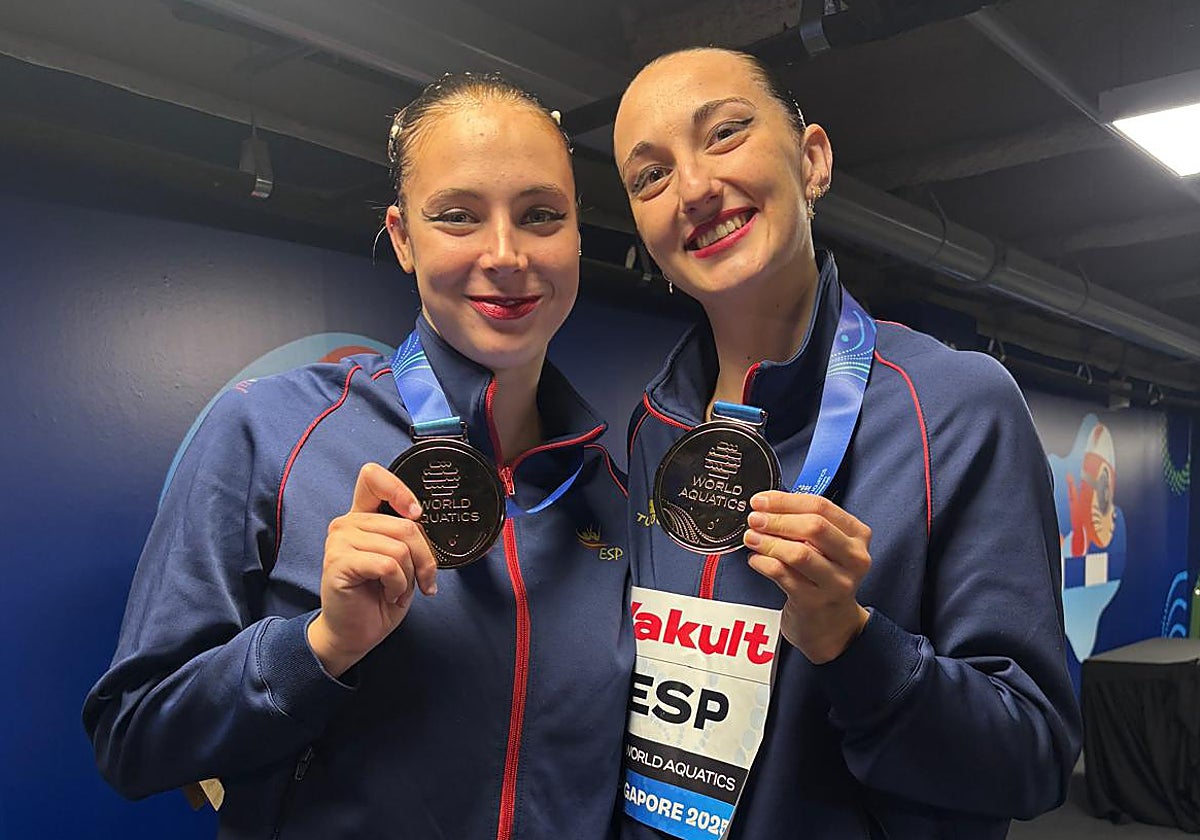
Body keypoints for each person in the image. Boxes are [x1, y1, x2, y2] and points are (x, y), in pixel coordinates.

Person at [84, 73, 632, 840]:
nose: (506, 255)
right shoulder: (270, 429)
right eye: (457, 216)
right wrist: (321, 646)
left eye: (541, 215)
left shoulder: (611, 487)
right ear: (403, 238)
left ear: (575, 235)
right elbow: (132, 736)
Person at [611, 47, 1081, 839]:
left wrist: (852, 643)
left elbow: (1032, 757)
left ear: (813, 161)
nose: (692, 189)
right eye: (650, 175)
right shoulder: (653, 427)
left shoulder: (957, 405)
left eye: (724, 133)